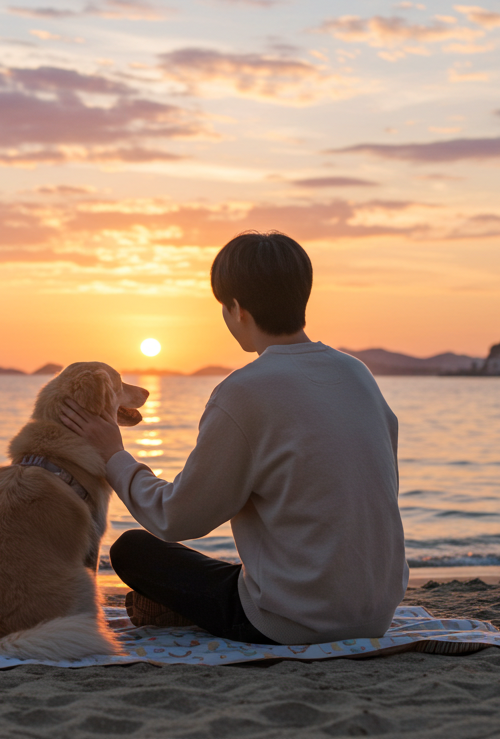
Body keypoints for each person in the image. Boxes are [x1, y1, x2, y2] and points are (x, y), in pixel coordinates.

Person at [60, 231, 407, 646]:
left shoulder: (244, 391)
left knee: (133, 550)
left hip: (293, 620)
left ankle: (180, 610)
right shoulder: (358, 375)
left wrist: (114, 454)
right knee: (234, 570)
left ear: (237, 310)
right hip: (376, 612)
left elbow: (177, 518)